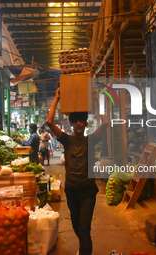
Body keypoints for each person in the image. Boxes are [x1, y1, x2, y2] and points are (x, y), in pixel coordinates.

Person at [46, 88, 109, 255]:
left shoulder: (92, 140)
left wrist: (97, 98)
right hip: (72, 190)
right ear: (71, 124)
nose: (79, 123)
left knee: (84, 229)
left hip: (88, 191)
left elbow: (106, 123)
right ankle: (83, 247)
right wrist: (57, 98)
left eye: (82, 120)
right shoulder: (67, 140)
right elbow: (49, 122)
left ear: (85, 123)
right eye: (75, 121)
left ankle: (84, 251)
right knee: (76, 225)